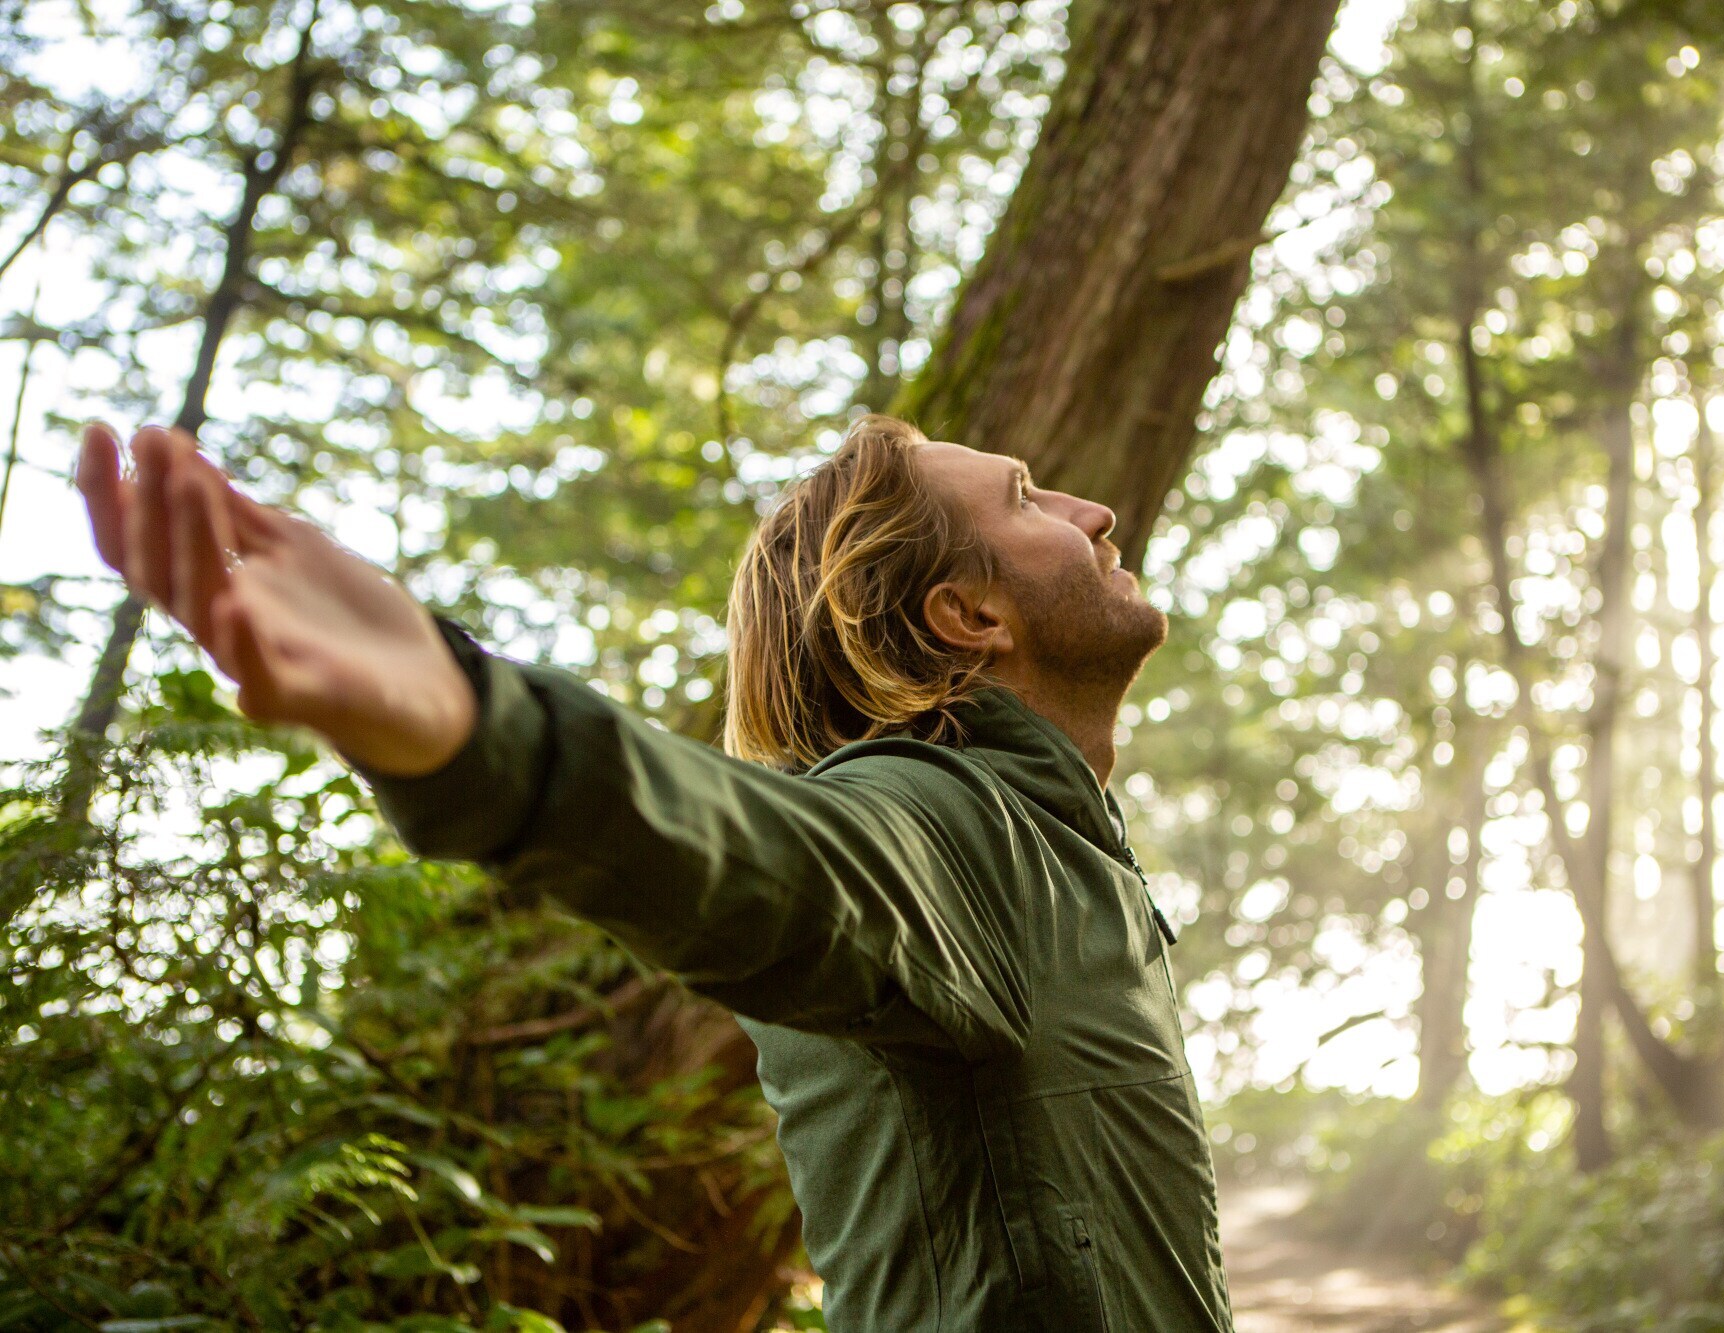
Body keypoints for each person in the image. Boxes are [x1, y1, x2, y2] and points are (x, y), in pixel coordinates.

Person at [76, 413, 1234, 1331]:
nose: (1095, 511)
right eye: (1028, 499)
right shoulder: (945, 827)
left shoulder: (1063, 851)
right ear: (966, 612)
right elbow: (769, 864)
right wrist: (483, 731)